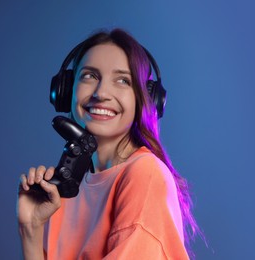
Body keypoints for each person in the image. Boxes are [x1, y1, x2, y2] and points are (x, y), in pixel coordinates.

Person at [17, 28, 201, 259]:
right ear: (65, 90)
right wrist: (30, 230)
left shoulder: (144, 174)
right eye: (89, 76)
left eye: (123, 80)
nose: (102, 92)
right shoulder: (65, 188)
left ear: (145, 99)